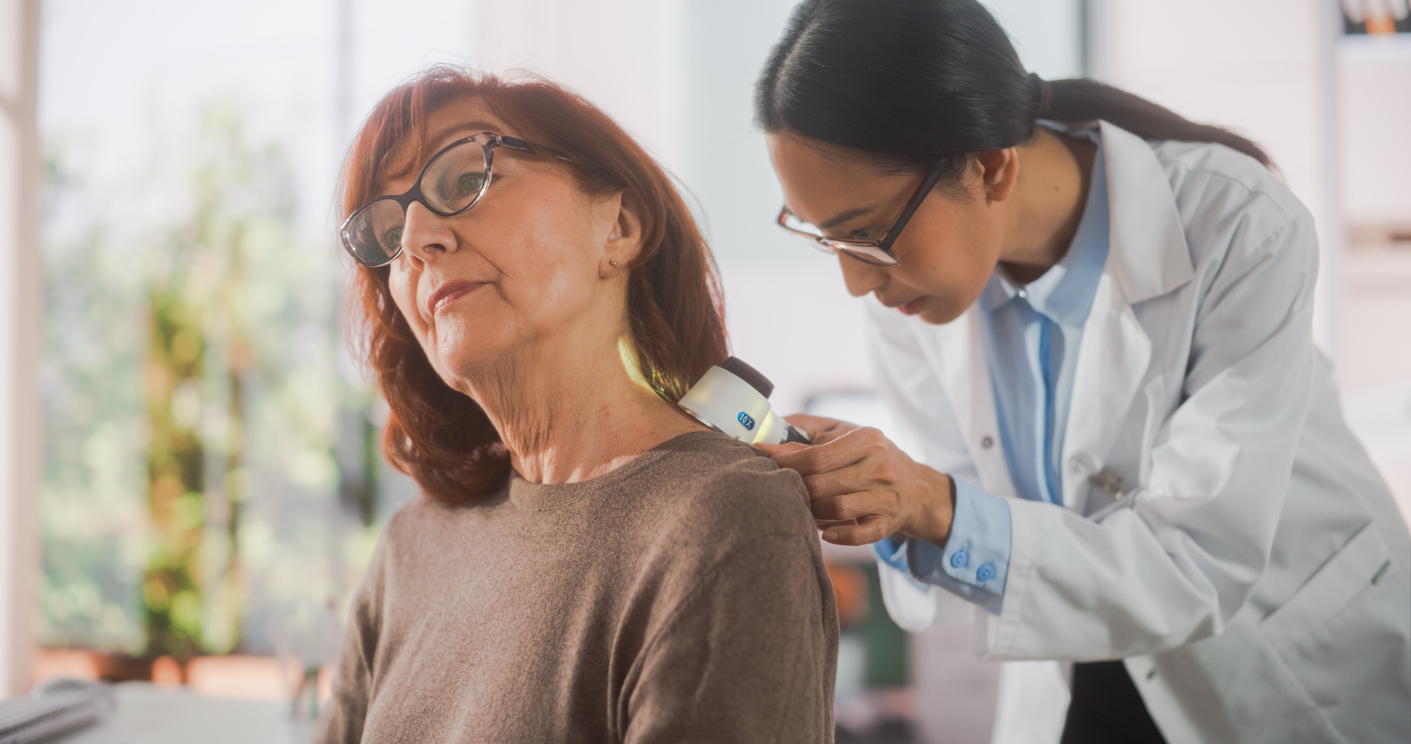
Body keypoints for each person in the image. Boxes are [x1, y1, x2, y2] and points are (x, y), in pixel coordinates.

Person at [752, 2, 1411, 743]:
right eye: (824, 237)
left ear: (991, 165)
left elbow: (1200, 560)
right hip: (1078, 655)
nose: (854, 283)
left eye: (865, 235)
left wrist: (931, 503)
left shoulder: (1238, 224)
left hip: (1280, 653)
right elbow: (965, 522)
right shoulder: (910, 294)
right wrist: (885, 500)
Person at [316, 66, 838, 743]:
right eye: (385, 234)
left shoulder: (725, 521)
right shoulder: (412, 546)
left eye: (463, 179)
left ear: (617, 228)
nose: (414, 241)